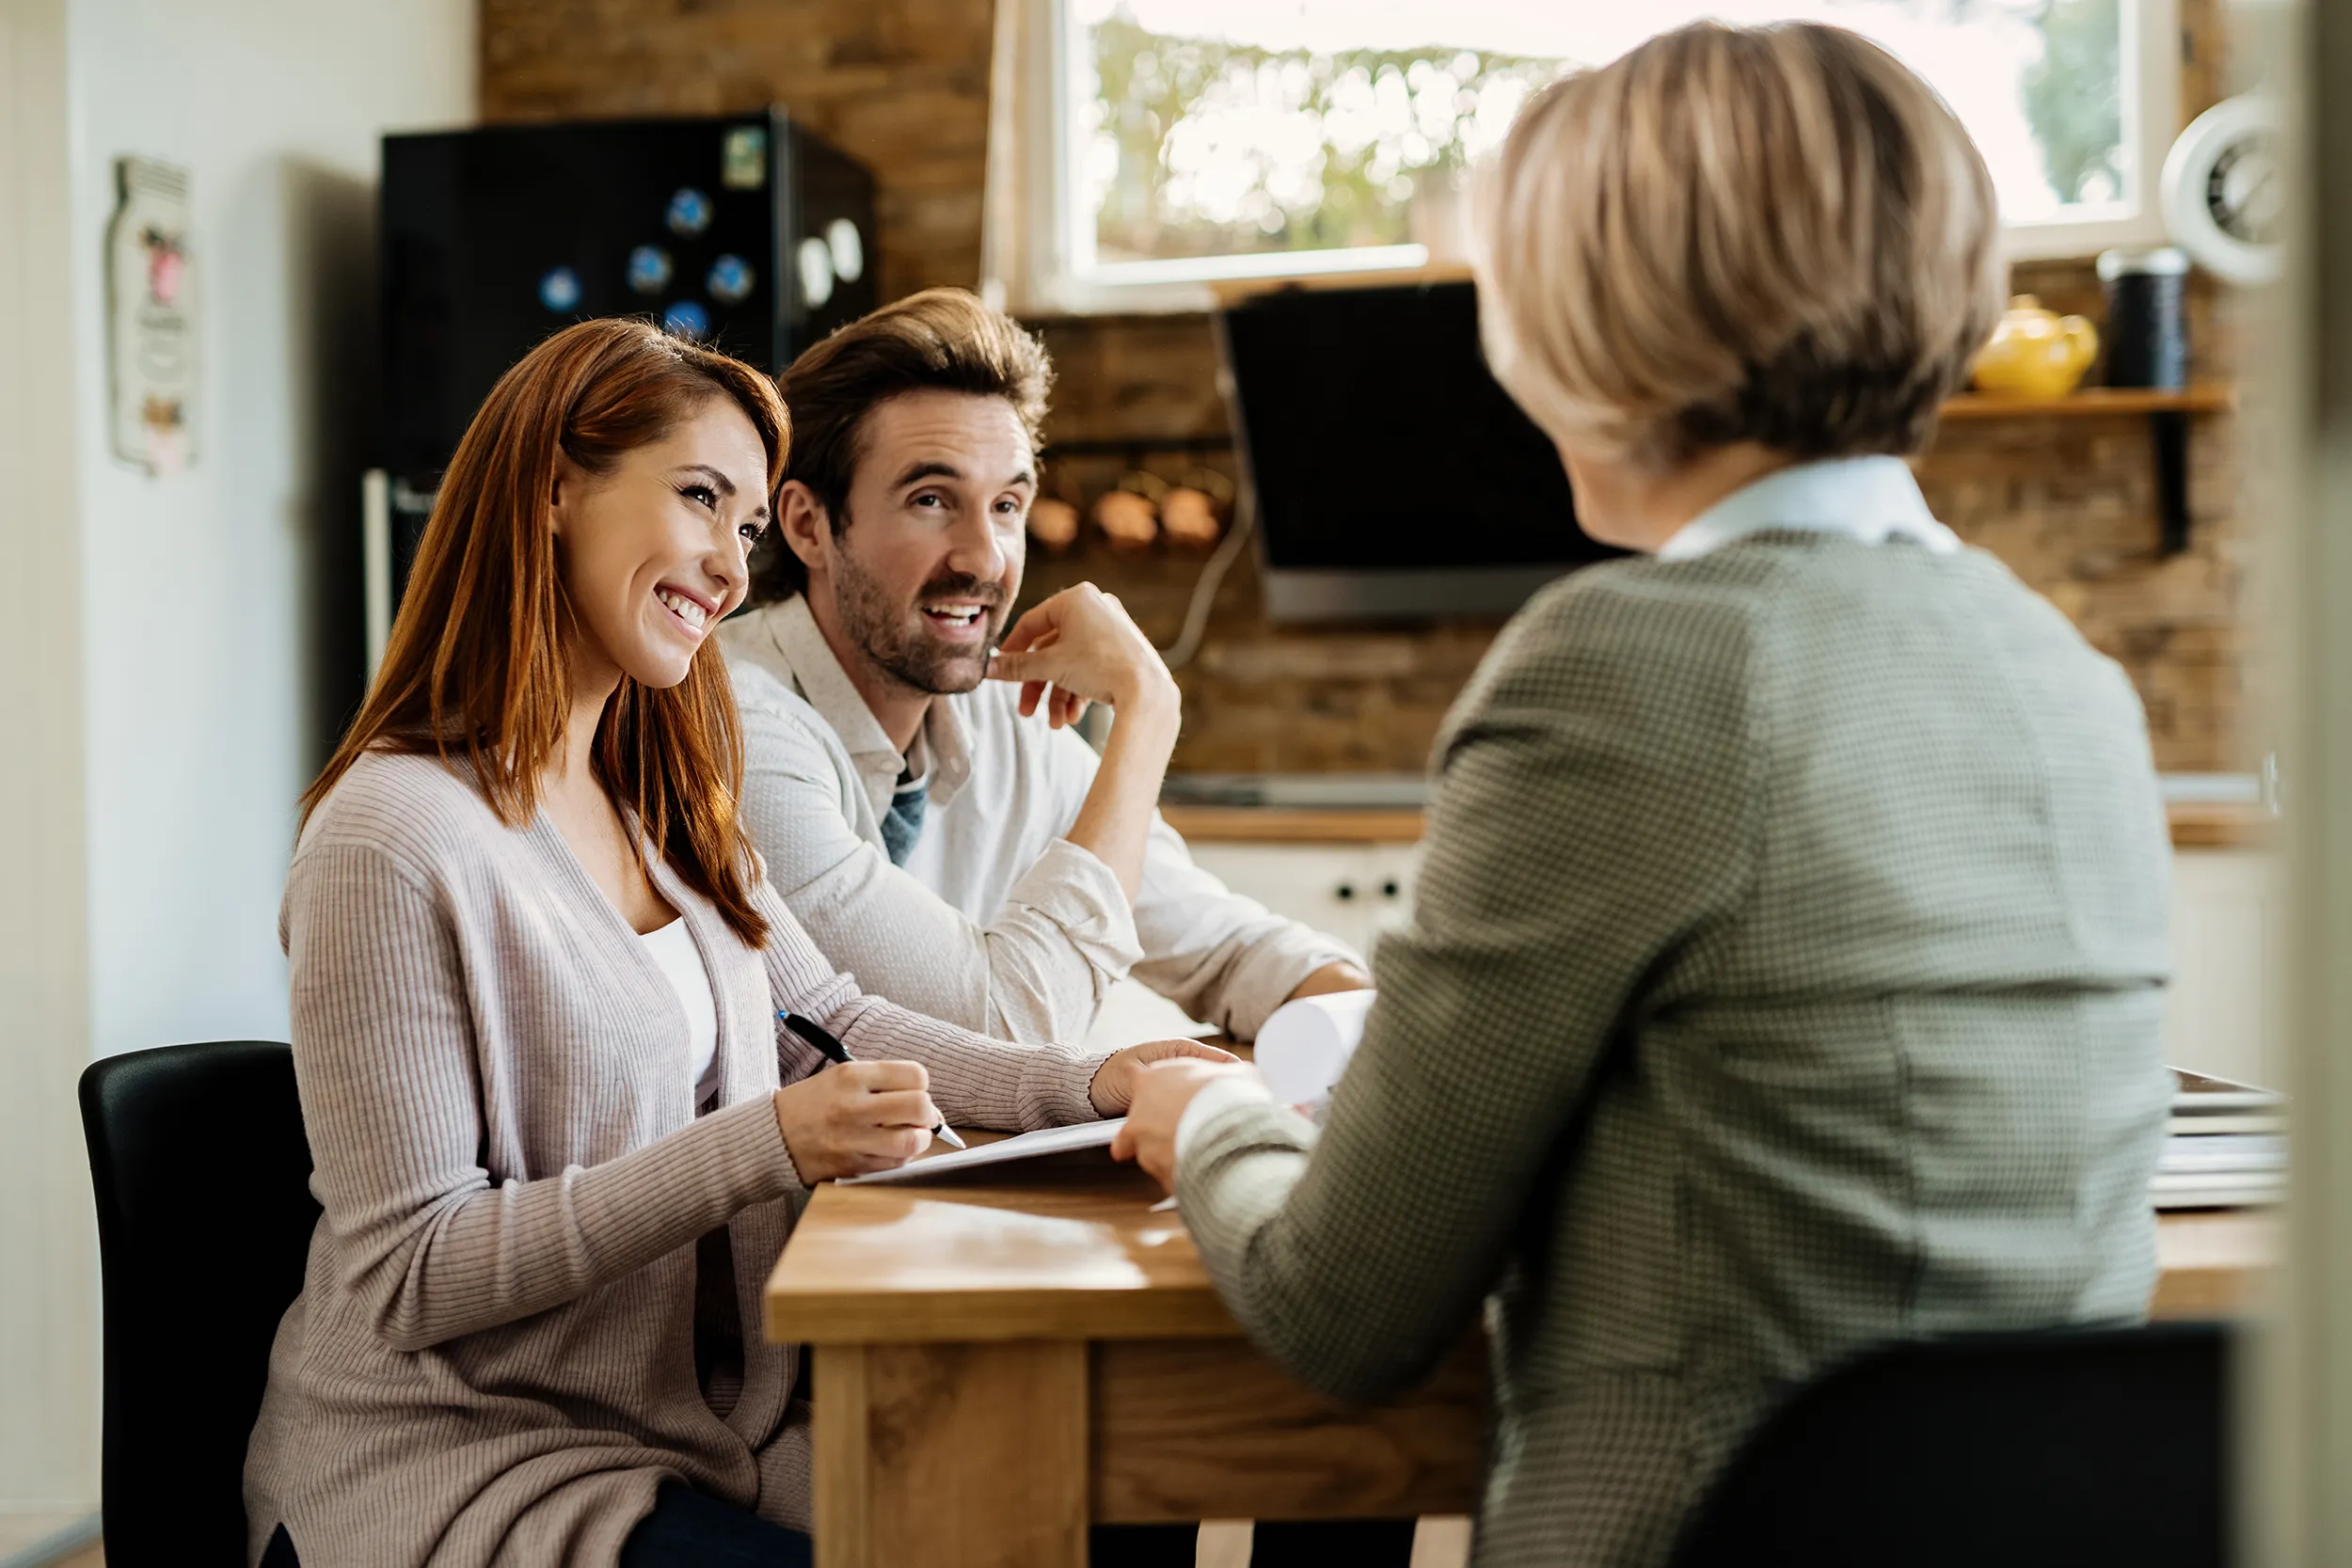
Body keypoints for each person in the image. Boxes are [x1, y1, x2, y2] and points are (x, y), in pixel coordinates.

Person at [1111, 22, 2176, 1568]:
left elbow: (1340, 1308)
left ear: (1592, 321)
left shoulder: (1628, 662)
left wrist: (1209, 1108)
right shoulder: (2069, 675)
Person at [244, 318, 1225, 1568]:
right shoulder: (389, 836)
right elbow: (415, 1270)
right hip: (462, 1462)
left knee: (1099, 1490)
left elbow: (835, 1022)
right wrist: (764, 1143)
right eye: (701, 497)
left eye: (749, 526)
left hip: (693, 1424)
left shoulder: (661, 798)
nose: (727, 561)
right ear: (555, 487)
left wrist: (1098, 1082)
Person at [715, 289, 1370, 1053]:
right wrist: (1148, 713)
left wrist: (1370, 1018)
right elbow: (1001, 1026)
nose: (985, 558)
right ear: (807, 524)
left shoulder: (1001, 715)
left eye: (1007, 505)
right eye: (932, 499)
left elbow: (1228, 952)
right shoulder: (738, 728)